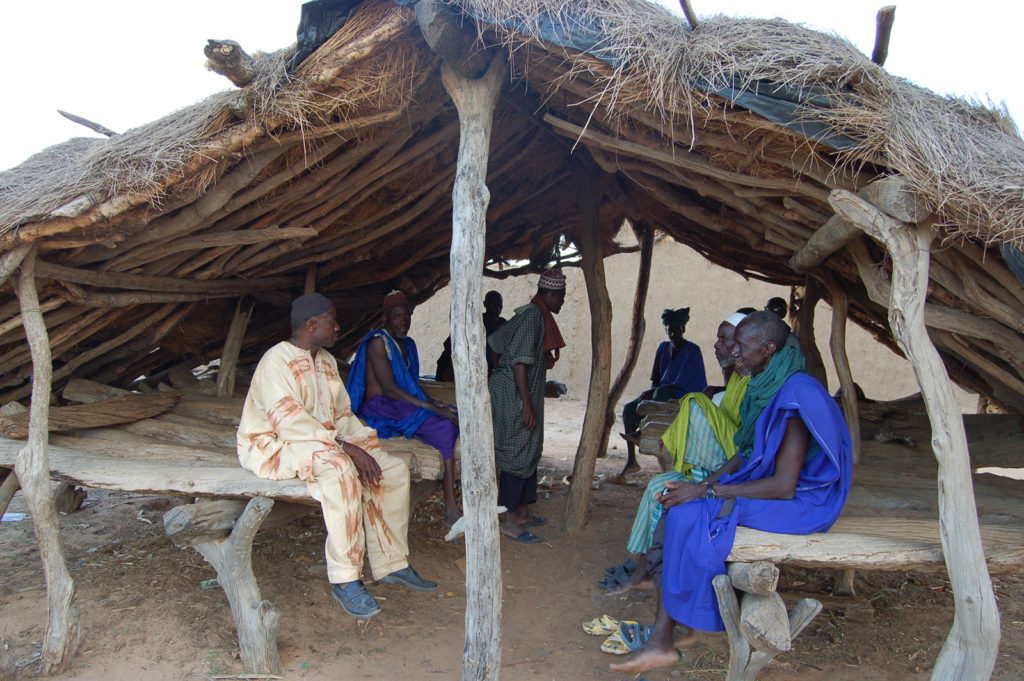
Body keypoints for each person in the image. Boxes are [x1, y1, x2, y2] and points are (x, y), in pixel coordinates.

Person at [611, 311, 852, 674]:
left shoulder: (797, 393)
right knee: (678, 506)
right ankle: (671, 634)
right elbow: (747, 455)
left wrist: (709, 493)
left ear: (768, 348)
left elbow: (784, 486)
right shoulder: (771, 383)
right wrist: (703, 486)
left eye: (742, 345)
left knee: (694, 516)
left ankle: (666, 637)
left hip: (806, 504)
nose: (733, 351)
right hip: (784, 493)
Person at [236, 293, 437, 620]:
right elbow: (289, 424)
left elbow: (342, 415)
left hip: (322, 440)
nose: (339, 327)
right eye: (332, 321)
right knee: (341, 471)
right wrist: (346, 449)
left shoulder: (326, 361)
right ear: (311, 325)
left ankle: (391, 562)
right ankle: (345, 580)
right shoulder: (276, 361)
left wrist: (361, 442)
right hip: (275, 445)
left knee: (393, 469)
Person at [605, 312, 752, 595]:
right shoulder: (736, 375)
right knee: (656, 488)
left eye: (723, 339)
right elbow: (657, 379)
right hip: (716, 455)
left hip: (727, 469)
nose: (716, 344)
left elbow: (747, 442)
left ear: (741, 343)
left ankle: (691, 473)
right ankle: (641, 569)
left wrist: (702, 485)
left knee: (693, 401)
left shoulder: (757, 382)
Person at [347, 290, 461, 524]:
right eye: (397, 316)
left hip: (399, 403)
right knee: (445, 427)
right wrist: (434, 410)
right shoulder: (378, 342)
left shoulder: (407, 344)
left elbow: (411, 385)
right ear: (385, 319)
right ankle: (450, 506)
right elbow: (389, 389)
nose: (403, 321)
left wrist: (433, 403)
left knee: (455, 414)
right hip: (382, 406)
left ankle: (459, 499)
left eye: (406, 316)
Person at [488, 268, 566, 543]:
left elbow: (502, 346)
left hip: (522, 392)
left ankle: (523, 512)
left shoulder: (538, 316)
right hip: (515, 395)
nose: (563, 302)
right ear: (551, 294)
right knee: (516, 452)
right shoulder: (533, 317)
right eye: (561, 297)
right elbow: (519, 361)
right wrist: (525, 403)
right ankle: (510, 521)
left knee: (530, 447)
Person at [618, 308, 707, 477]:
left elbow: (690, 382)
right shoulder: (663, 348)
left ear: (683, 329)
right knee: (630, 408)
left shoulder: (692, 350)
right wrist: (649, 391)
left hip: (683, 395)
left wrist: (656, 391)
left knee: (658, 397)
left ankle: (644, 430)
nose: (673, 332)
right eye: (669, 328)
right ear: (665, 329)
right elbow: (656, 379)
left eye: (676, 328)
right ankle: (632, 460)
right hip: (661, 392)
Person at [434, 290, 506, 381]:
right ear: (485, 304)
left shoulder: (502, 324)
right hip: (465, 365)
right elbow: (451, 344)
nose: (498, 308)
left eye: (500, 304)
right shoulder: (474, 322)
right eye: (494, 304)